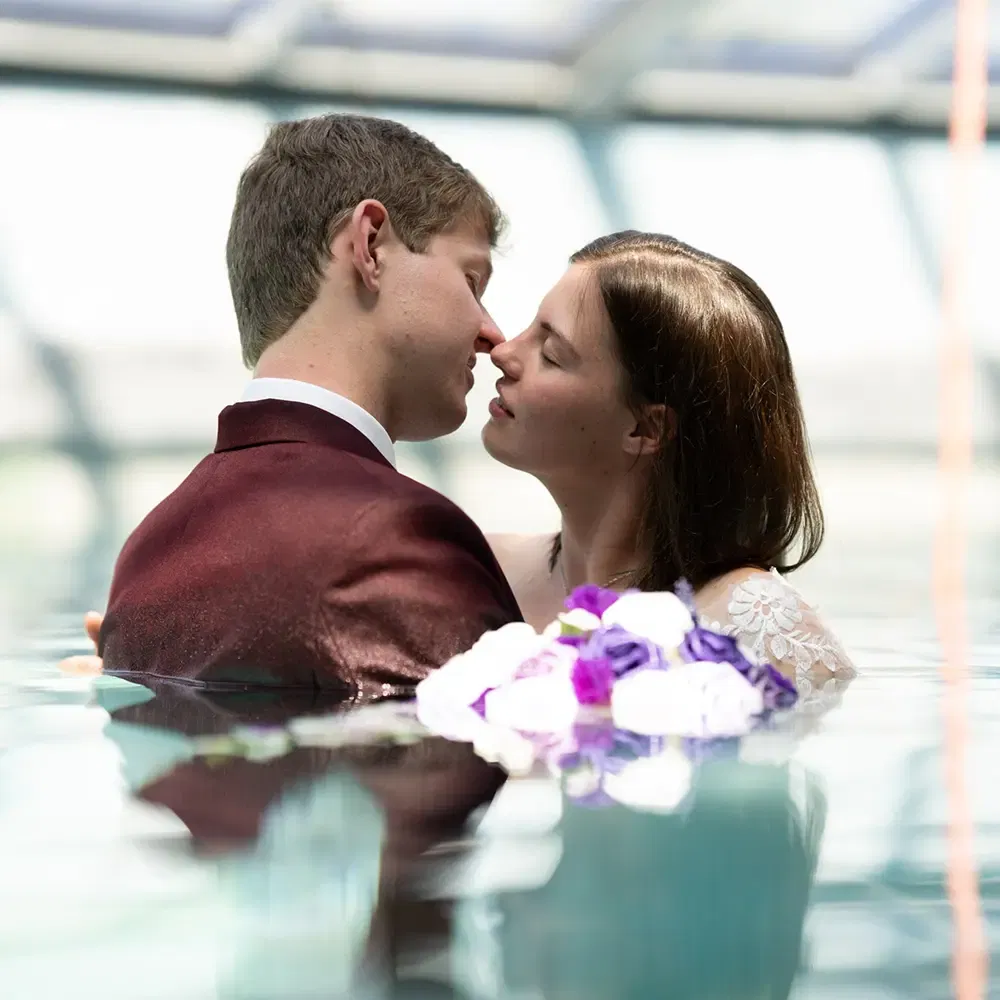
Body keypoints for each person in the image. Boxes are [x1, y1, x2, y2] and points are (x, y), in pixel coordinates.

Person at [88, 113, 523, 692]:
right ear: (370, 245)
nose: (492, 334)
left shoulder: (146, 550)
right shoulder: (400, 540)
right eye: (472, 281)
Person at [482, 232, 853, 682]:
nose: (503, 352)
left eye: (552, 354)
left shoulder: (755, 628)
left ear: (645, 428)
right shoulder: (478, 566)